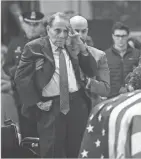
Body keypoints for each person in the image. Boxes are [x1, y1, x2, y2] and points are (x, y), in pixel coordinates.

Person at [14, 12, 97, 158]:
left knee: (77, 150)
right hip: (51, 107)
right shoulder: (34, 47)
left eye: (66, 31)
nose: (62, 35)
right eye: (57, 30)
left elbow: (91, 70)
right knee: (52, 151)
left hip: (77, 104)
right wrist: (37, 101)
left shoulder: (72, 45)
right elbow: (21, 78)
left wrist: (81, 46)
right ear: (48, 29)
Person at [3, 11, 46, 138]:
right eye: (29, 24)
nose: (32, 28)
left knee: (45, 133)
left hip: (43, 96)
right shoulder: (15, 43)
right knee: (26, 133)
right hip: (21, 96)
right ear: (23, 25)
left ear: (42, 25)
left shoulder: (47, 43)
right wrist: (18, 72)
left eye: (36, 24)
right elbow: (7, 65)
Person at [70, 15, 110, 106]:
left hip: (90, 107)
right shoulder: (60, 53)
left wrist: (86, 81)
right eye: (76, 31)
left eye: (83, 31)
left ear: (87, 31)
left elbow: (105, 90)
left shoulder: (99, 55)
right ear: (68, 31)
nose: (79, 35)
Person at [105, 22, 141, 98]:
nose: (120, 39)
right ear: (113, 36)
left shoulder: (137, 54)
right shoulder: (105, 55)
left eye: (123, 36)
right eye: (117, 36)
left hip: (132, 98)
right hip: (111, 99)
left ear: (128, 36)